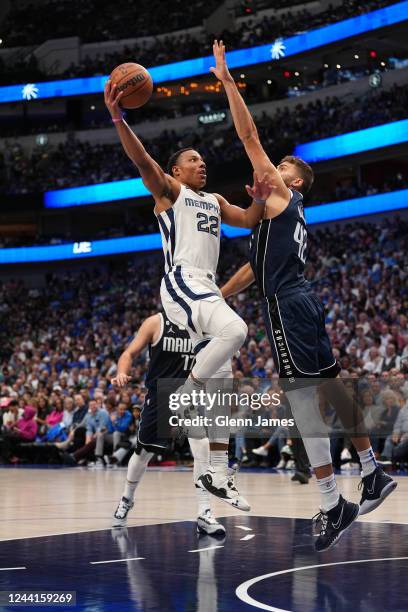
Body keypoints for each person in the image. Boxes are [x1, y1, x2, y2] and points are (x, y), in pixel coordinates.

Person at [211, 40, 397, 551]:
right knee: (333, 386)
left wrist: (227, 81)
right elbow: (253, 267)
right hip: (303, 299)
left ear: (293, 180)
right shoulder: (282, 215)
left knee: (301, 402)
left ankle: (330, 500)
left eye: (283, 164)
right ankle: (372, 470)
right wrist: (219, 296)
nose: (274, 165)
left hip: (287, 305)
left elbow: (247, 133)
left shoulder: (280, 189)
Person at [104, 81, 272, 504]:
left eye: (202, 160)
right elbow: (142, 160)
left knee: (224, 388)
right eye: (193, 160)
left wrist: (261, 199)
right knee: (237, 331)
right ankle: (184, 394)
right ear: (176, 171)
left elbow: (251, 220)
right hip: (181, 282)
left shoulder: (214, 199)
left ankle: (217, 474)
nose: (202, 164)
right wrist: (118, 119)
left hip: (205, 287)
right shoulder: (170, 193)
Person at [111, 311, 249, 535]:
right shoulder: (156, 322)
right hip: (160, 395)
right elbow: (128, 353)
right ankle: (127, 498)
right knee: (143, 453)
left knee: (202, 446)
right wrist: (121, 372)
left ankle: (205, 513)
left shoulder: (204, 322)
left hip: (187, 395)